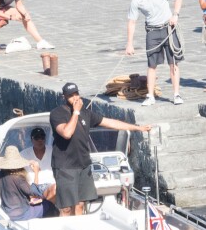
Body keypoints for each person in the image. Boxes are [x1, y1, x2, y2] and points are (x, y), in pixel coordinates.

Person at [50, 82, 152, 217]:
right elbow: (67, 133)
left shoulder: (86, 113)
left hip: (84, 165)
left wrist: (137, 128)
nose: (75, 98)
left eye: (76, 94)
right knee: (66, 208)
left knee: (80, 205)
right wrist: (75, 112)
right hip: (65, 166)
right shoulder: (57, 113)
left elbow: (110, 122)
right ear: (64, 97)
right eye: (70, 96)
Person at [126, 0, 184, 106]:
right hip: (152, 32)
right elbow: (132, 22)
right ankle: (150, 96)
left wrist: (175, 14)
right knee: (151, 65)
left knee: (173, 62)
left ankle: (176, 94)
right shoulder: (136, 0)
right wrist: (129, 43)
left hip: (168, 29)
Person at [0, 145, 55, 221]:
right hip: (22, 214)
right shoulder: (18, 178)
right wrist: (36, 172)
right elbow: (34, 192)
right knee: (49, 205)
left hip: (6, 212)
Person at [20, 127, 56, 203]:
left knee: (57, 189)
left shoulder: (53, 151)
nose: (40, 140)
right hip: (32, 188)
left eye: (42, 137)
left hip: (51, 186)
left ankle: (42, 200)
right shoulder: (23, 154)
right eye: (37, 138)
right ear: (31, 139)